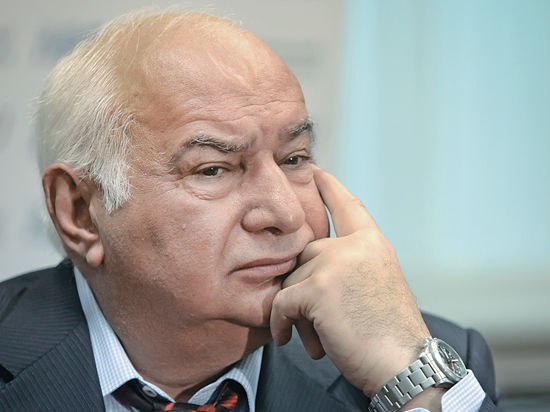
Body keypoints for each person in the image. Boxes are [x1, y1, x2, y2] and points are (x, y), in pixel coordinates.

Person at [0, 10, 500, 412]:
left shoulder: (424, 360)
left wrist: (413, 387)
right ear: (81, 212)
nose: (286, 213)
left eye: (294, 159)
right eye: (214, 169)